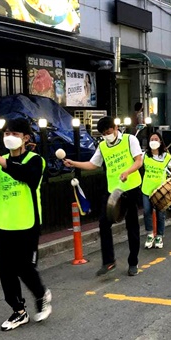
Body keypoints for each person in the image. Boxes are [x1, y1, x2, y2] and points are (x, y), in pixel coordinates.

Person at [0, 118, 52, 331]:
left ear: (26, 138)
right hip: (2, 223)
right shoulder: (0, 164)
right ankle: (18, 310)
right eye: (6, 133)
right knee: (5, 269)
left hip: (27, 222)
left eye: (15, 134)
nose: (9, 137)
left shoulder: (36, 160)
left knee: (24, 267)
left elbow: (26, 175)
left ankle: (41, 295)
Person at [64, 116, 143, 276]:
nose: (108, 135)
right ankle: (108, 261)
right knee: (103, 223)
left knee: (132, 226)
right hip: (112, 191)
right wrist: (74, 163)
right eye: (104, 133)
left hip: (131, 188)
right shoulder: (102, 146)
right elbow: (93, 164)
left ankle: (133, 262)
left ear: (116, 128)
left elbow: (138, 161)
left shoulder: (129, 140)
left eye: (109, 131)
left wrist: (127, 172)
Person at [141, 131, 171, 249]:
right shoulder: (144, 155)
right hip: (146, 189)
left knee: (161, 214)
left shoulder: (167, 156)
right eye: (152, 139)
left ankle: (159, 236)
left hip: (161, 191)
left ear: (160, 142)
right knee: (147, 212)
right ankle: (150, 234)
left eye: (156, 139)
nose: (154, 141)